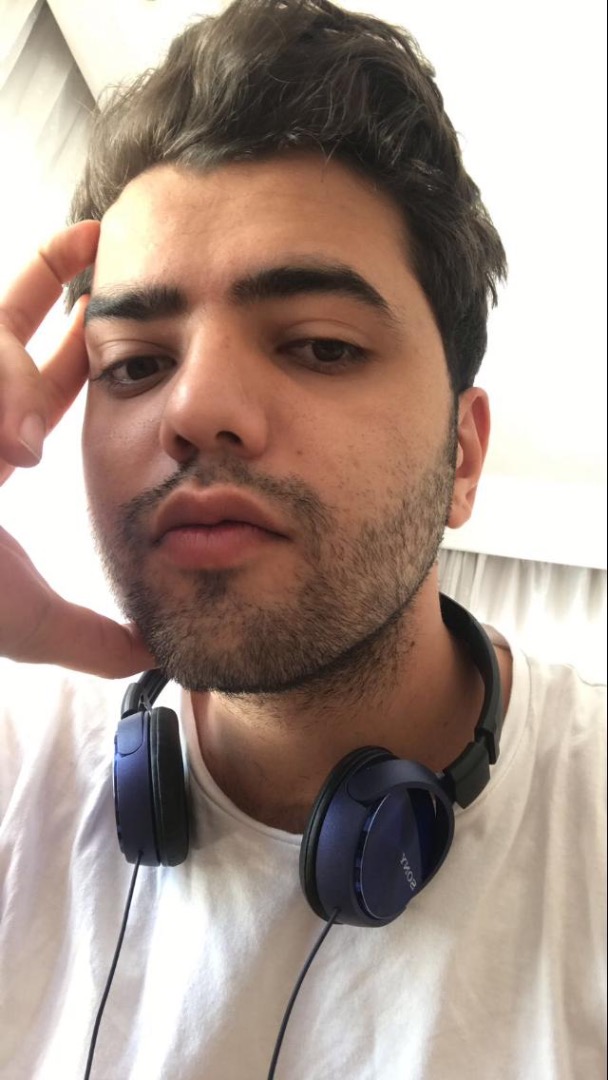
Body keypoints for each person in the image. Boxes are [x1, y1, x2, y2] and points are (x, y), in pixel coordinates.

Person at [0, 0, 605, 1076]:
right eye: (133, 363)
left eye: (320, 346)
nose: (195, 408)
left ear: (462, 458)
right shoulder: (18, 776)